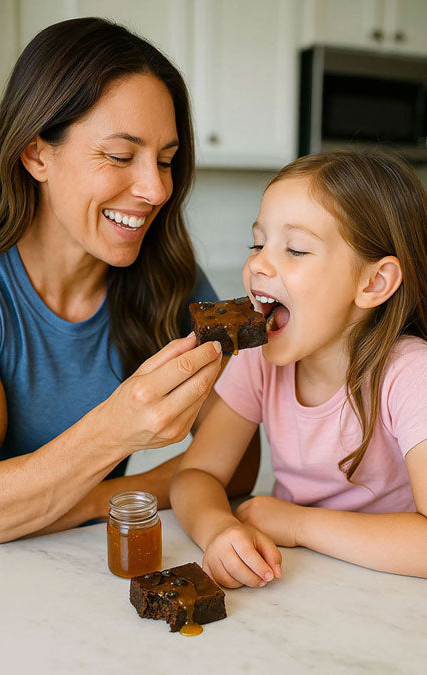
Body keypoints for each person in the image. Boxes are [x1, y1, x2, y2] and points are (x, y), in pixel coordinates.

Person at [0, 18, 259, 547]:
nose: (155, 189)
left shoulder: (170, 277)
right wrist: (116, 429)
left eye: (168, 161)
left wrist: (86, 501)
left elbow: (237, 460)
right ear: (37, 153)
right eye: (121, 156)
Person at [170, 149, 427, 586]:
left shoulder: (410, 375)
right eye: (258, 243)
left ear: (374, 283)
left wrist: (297, 523)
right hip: (294, 583)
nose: (257, 264)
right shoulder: (260, 361)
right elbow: (196, 475)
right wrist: (218, 528)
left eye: (295, 249)